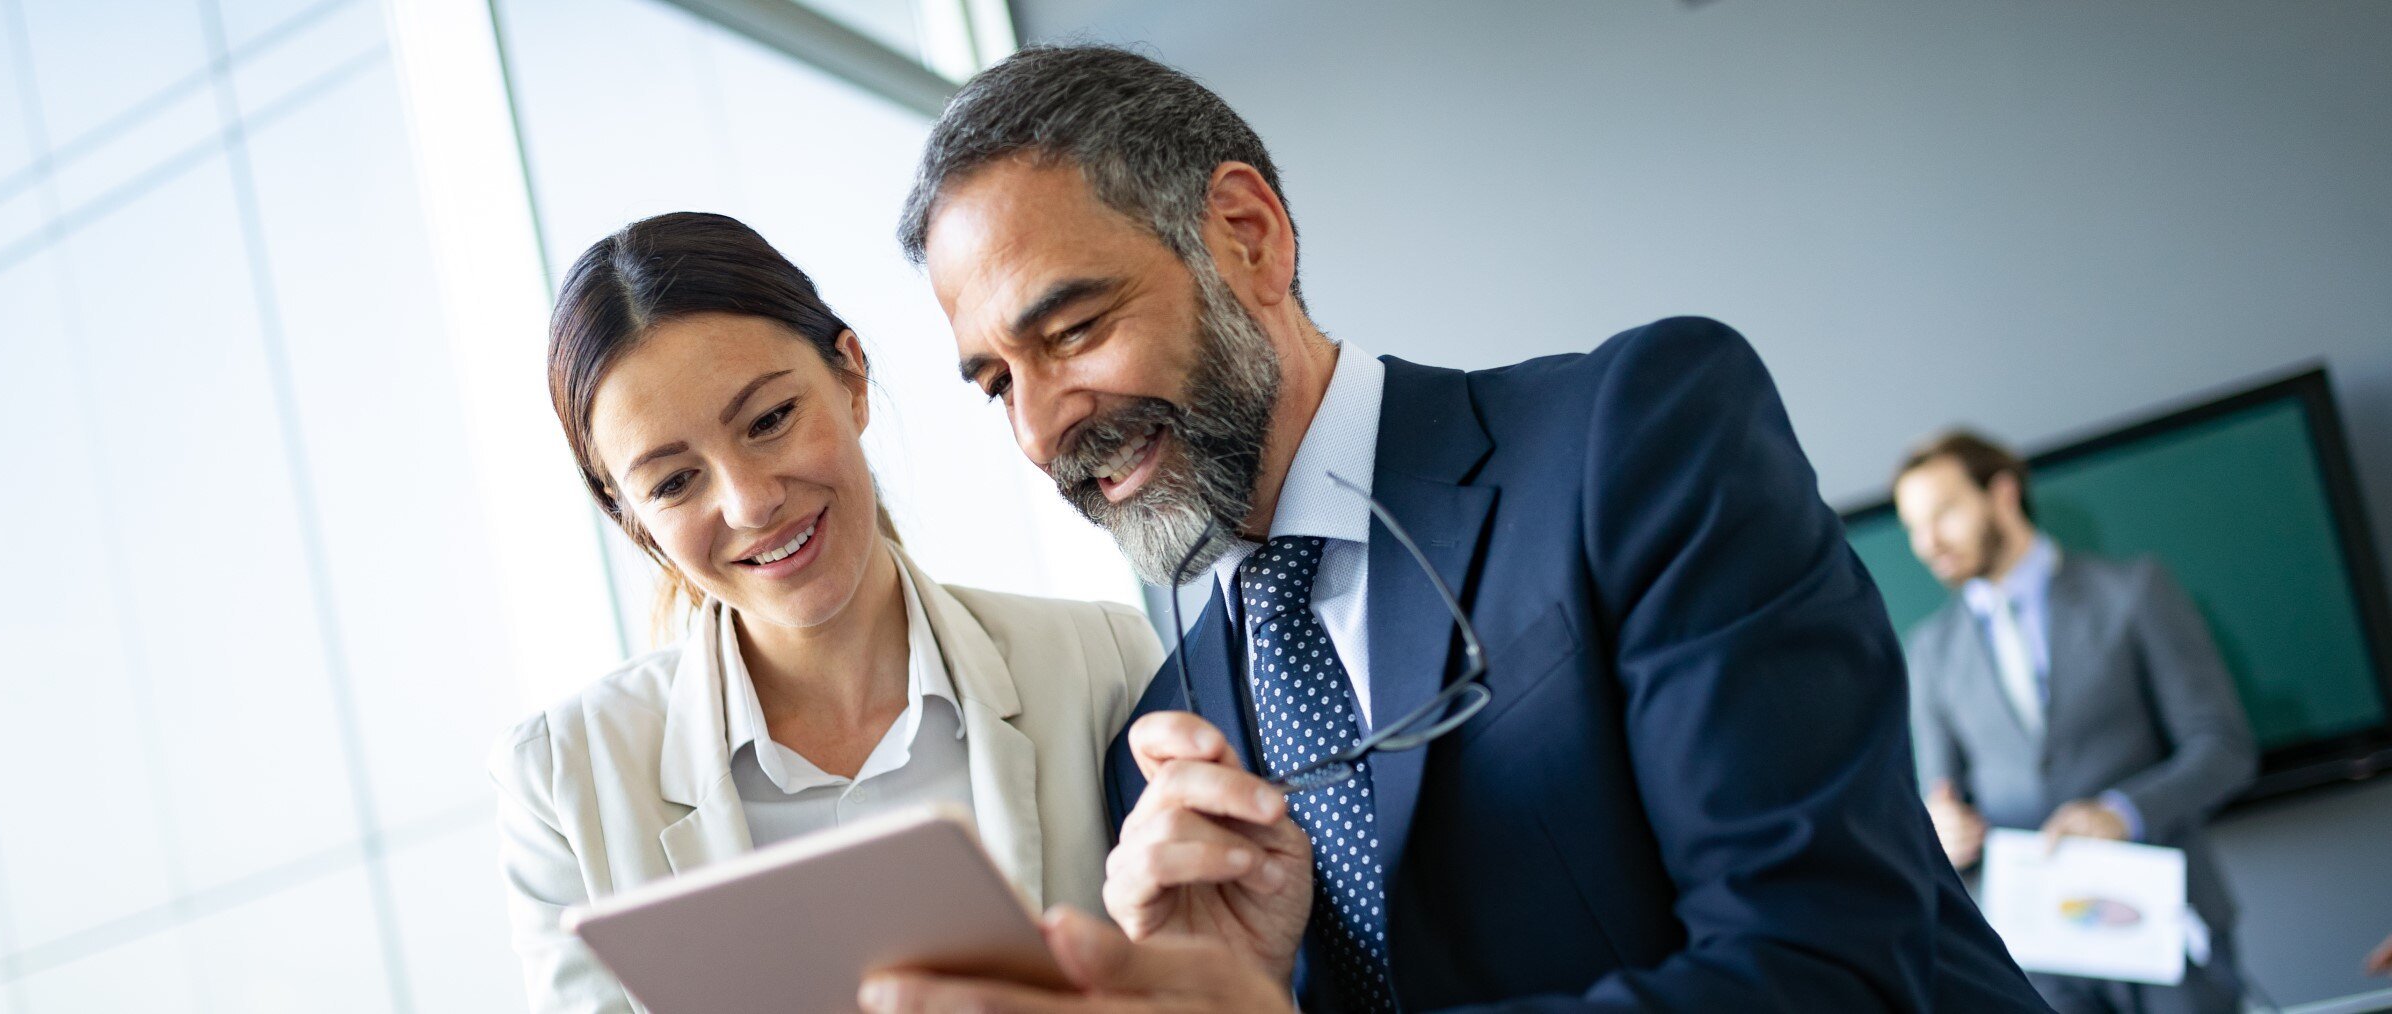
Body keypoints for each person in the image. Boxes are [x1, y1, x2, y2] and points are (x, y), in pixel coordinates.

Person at [858, 44, 2047, 1013]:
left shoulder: (1634, 438)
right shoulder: (1164, 754)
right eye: (994, 383)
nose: (1037, 431)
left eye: (1070, 332)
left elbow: (1829, 969)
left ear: (1247, 237)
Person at [489, 212, 1165, 1012]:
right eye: (674, 483)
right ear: (628, 513)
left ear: (850, 377)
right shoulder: (564, 781)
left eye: (770, 421)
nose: (750, 503)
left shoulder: (1099, 666)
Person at [1893, 429, 2257, 1014]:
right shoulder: (1930, 651)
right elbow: (1939, 804)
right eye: (1913, 526)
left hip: (2167, 930)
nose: (1927, 542)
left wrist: (2121, 812)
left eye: (1944, 513)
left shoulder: (2134, 591)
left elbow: (2224, 748)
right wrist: (1941, 830)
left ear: (2003, 494)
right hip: (2037, 956)